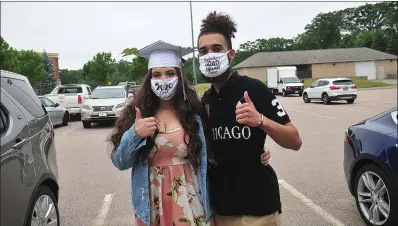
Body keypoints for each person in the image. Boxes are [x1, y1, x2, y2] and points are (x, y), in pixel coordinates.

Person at [108, 41, 272, 226]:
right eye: (157, 74)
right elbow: (120, 162)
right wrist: (135, 134)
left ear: (179, 77)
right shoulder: (137, 114)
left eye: (170, 73)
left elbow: (218, 141)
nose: (163, 80)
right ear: (149, 79)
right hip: (153, 204)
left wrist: (255, 149)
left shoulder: (195, 112)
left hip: (192, 201)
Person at [197, 12, 302, 226]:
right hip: (222, 210)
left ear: (231, 54)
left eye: (216, 49)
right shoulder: (205, 101)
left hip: (258, 211)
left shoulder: (254, 89)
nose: (209, 55)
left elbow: (295, 140)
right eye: (203, 51)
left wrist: (261, 120)